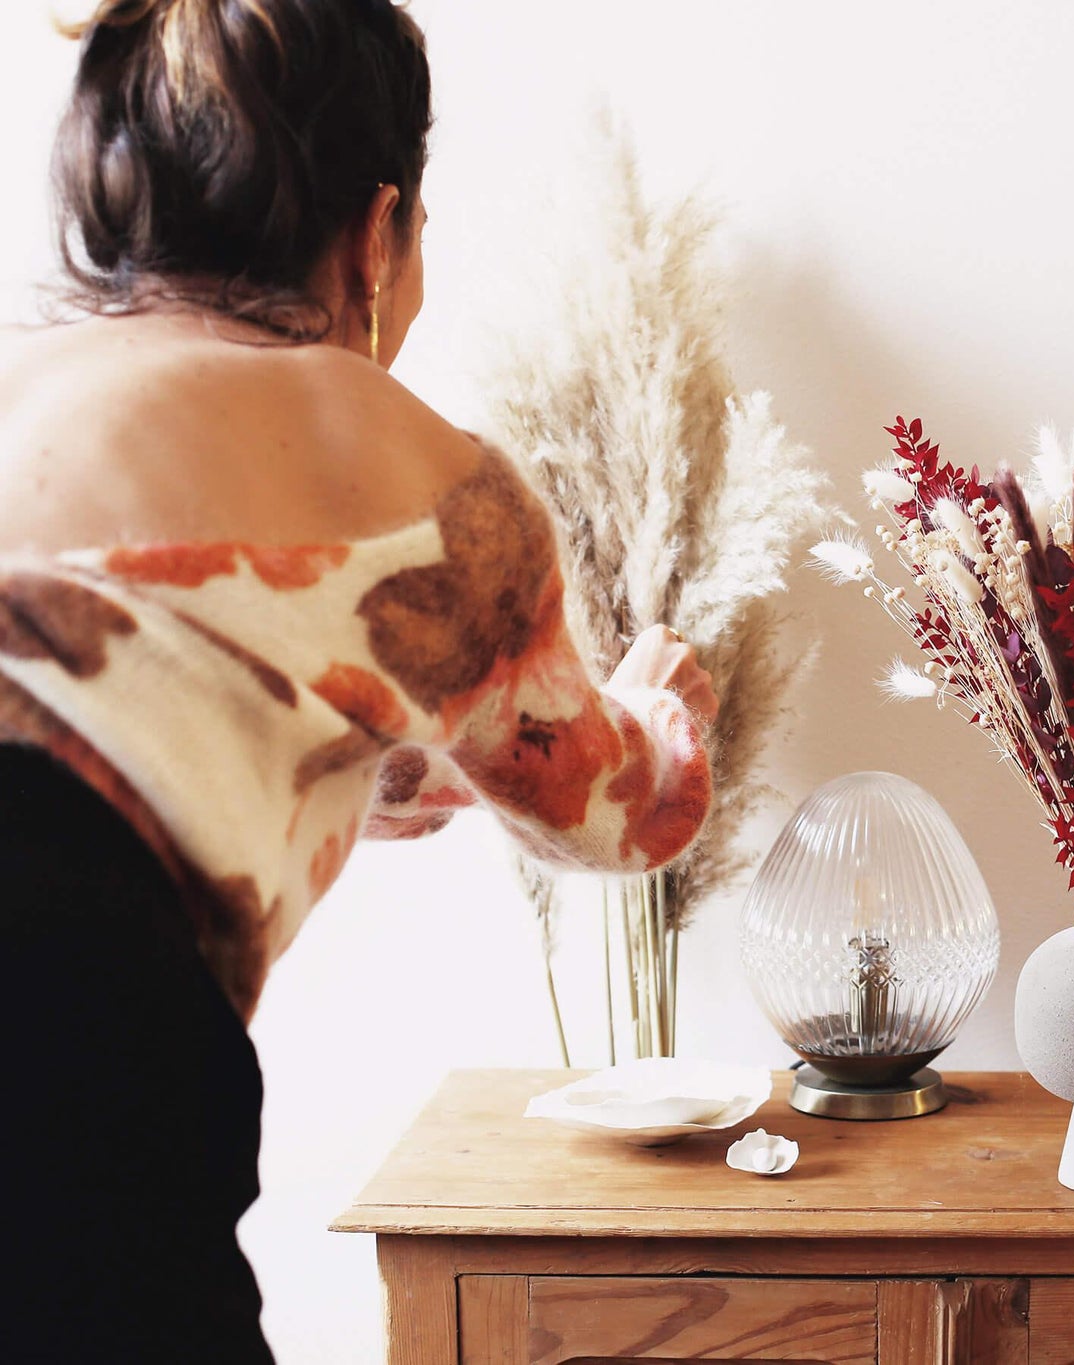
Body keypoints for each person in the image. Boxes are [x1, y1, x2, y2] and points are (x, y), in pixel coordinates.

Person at [0, 2, 717, 1358]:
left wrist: (382, 756)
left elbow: (105, 686)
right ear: (376, 232)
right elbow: (627, 811)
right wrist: (670, 694)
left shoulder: (21, 371)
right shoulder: (383, 439)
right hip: (62, 1030)